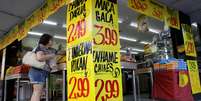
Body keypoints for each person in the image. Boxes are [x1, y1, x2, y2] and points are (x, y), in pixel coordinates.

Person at [28, 34, 56, 101]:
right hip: (38, 72)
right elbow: (39, 57)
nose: (53, 42)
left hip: (37, 72)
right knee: (37, 92)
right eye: (52, 40)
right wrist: (51, 56)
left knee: (36, 92)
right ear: (48, 41)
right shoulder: (40, 47)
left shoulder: (47, 49)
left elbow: (59, 52)